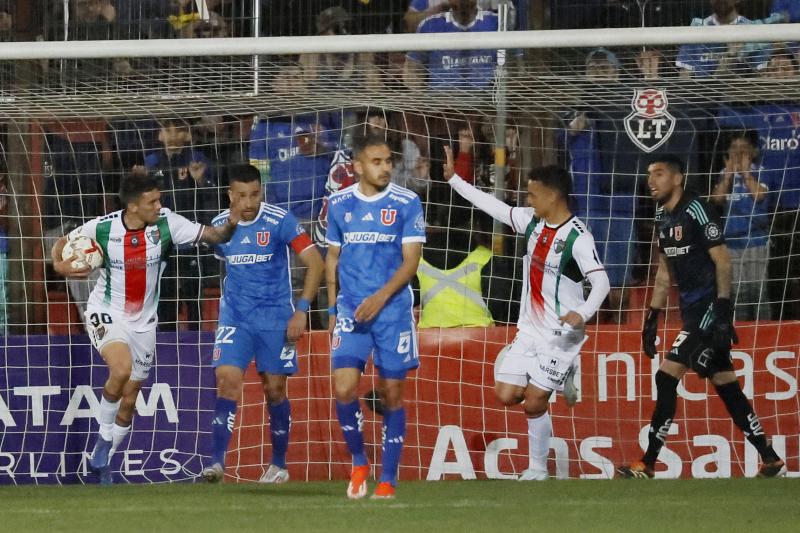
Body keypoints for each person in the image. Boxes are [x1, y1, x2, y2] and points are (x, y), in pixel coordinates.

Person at [50, 172, 243, 485]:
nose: (158, 205)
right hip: (106, 311)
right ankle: (102, 440)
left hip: (144, 323)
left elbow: (217, 236)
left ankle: (105, 462)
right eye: (152, 201)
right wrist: (60, 265)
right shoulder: (103, 227)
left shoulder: (167, 223)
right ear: (132, 206)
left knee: (130, 400)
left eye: (159, 199)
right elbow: (62, 243)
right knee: (120, 369)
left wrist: (231, 222)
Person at [444, 147, 610, 480]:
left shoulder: (578, 237)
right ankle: (562, 374)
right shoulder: (531, 221)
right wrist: (454, 180)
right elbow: (495, 207)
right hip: (529, 330)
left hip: (561, 335)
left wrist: (584, 312)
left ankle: (538, 469)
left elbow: (602, 280)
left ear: (553, 196)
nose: (529, 200)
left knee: (534, 402)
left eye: (533, 194)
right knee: (506, 396)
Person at [616, 155, 785, 479]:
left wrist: (722, 310)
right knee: (726, 385)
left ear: (678, 178)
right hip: (690, 312)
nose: (651, 180)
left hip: (709, 308)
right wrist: (652, 316)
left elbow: (722, 260)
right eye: (650, 174)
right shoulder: (662, 215)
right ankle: (769, 456)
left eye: (660, 173)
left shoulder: (697, 210)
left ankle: (647, 463)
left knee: (666, 377)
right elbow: (664, 271)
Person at [200, 164, 324, 484]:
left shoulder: (281, 220)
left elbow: (315, 262)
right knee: (226, 380)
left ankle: (279, 465)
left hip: (275, 319)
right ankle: (216, 462)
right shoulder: (219, 227)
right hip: (236, 319)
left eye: (254, 194)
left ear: (261, 191)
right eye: (241, 196)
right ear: (230, 195)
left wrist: (302, 310)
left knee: (275, 390)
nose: (249, 202)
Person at [325, 135, 426, 499]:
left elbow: (411, 262)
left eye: (388, 161)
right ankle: (358, 462)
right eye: (377, 161)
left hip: (393, 312)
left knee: (391, 394)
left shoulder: (406, 202)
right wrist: (334, 309)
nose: (385, 168)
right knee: (344, 387)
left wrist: (380, 298)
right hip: (352, 311)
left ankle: (387, 478)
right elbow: (333, 259)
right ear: (357, 166)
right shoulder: (338, 205)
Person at [145, 118, 217, 331]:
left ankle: (196, 348)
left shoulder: (198, 160)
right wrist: (140, 182)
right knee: (164, 300)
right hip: (161, 243)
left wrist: (202, 181)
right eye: (167, 129)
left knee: (193, 299)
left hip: (190, 243)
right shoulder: (151, 162)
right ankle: (165, 347)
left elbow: (212, 197)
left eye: (179, 130)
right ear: (160, 135)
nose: (173, 135)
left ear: (188, 135)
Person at [710, 132, 772, 321]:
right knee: (739, 294)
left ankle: (765, 333)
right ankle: (743, 336)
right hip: (731, 244)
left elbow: (759, 195)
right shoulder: (724, 174)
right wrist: (728, 177)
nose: (737, 153)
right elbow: (717, 199)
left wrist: (745, 174)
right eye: (733, 149)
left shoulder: (761, 170)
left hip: (755, 242)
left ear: (752, 152)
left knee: (757, 292)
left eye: (742, 149)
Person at [403, 0, 501, 92]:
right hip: (442, 104)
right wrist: (425, 102)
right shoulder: (429, 25)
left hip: (485, 103)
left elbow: (510, 67)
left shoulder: (496, 23)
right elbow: (412, 71)